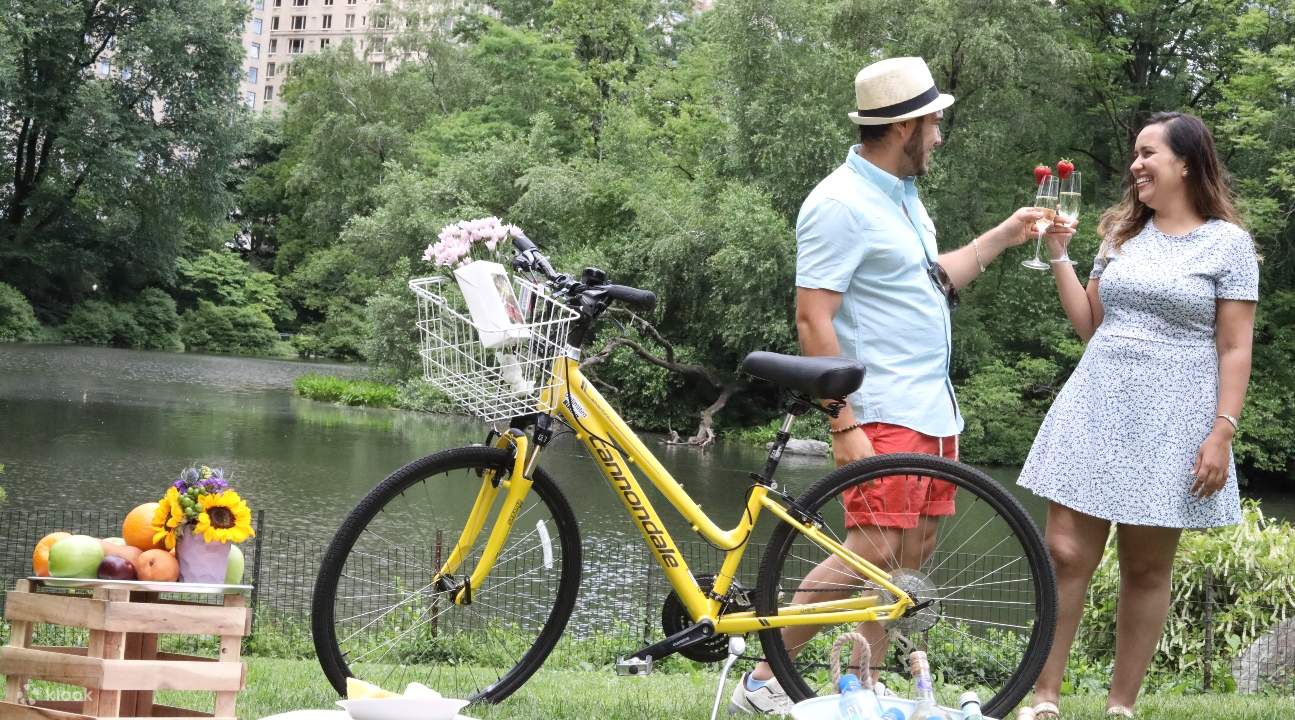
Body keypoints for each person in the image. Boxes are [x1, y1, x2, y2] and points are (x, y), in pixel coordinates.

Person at [729, 55, 1074, 715]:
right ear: (906, 126)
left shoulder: (902, 197)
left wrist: (1005, 234)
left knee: (905, 562)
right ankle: (766, 680)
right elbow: (812, 317)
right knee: (873, 550)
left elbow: (933, 281)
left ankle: (865, 680)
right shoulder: (838, 203)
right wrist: (843, 421)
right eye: (935, 123)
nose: (940, 136)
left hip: (931, 409)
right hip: (880, 404)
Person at [1018, 112, 1259, 720]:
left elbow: (1235, 348)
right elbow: (1090, 325)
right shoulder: (1120, 235)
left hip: (1174, 418)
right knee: (1065, 551)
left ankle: (1120, 706)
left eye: (1148, 153)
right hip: (1096, 402)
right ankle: (1044, 697)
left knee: (1147, 565)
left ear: (1185, 163)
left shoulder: (1227, 244)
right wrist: (1058, 255)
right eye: (1134, 154)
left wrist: (1222, 431)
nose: (1135, 165)